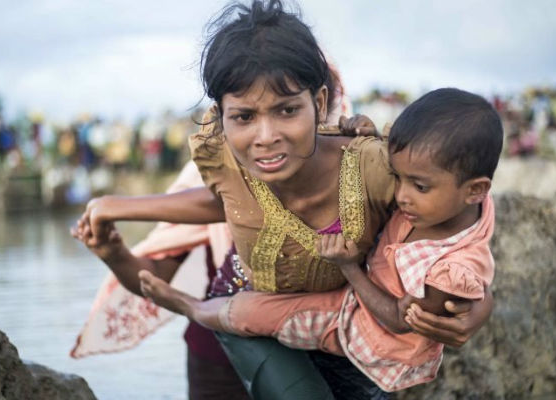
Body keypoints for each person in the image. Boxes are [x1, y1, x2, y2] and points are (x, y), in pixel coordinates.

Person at [73, 0, 494, 397]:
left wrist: (478, 306)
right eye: (244, 117)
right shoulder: (227, 169)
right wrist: (114, 248)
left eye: (287, 110)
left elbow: (456, 228)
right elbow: (175, 255)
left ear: (321, 102)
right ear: (220, 119)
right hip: (229, 333)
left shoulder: (375, 169)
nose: (266, 136)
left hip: (345, 338)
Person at [138, 87, 502, 392]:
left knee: (252, 312)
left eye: (417, 186)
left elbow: (396, 320)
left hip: (367, 332)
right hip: (350, 301)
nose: (401, 195)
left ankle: (190, 307)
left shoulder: (448, 262)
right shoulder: (438, 201)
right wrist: (367, 136)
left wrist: (347, 267)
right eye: (396, 176)